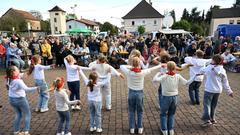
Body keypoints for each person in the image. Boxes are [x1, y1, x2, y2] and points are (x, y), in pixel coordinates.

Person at [120, 57, 162, 134]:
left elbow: (121, 66)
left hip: (131, 93)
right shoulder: (142, 72)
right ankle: (140, 128)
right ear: (139, 64)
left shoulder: (129, 72)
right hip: (139, 93)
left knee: (131, 110)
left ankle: (132, 128)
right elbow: (152, 69)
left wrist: (131, 67)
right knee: (140, 111)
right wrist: (160, 65)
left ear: (132, 64)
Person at [153, 61, 190, 135]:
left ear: (167, 67)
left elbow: (155, 80)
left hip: (166, 97)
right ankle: (171, 129)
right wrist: (194, 77)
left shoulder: (164, 76)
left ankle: (164, 130)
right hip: (175, 97)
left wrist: (158, 73)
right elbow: (186, 83)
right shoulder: (178, 76)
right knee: (171, 114)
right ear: (175, 67)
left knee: (163, 114)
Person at [199, 54, 233, 127]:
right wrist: (229, 91)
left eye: (212, 59)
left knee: (207, 105)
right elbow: (225, 81)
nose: (211, 60)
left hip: (209, 89)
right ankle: (212, 119)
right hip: (218, 90)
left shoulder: (209, 67)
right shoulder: (222, 70)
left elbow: (201, 71)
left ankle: (207, 120)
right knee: (213, 105)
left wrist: (204, 66)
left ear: (214, 61)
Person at [6, 66, 39, 135]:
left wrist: (30, 69)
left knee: (18, 114)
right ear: (14, 72)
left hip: (11, 99)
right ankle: (26, 132)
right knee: (27, 114)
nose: (19, 69)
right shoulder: (18, 81)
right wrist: (37, 88)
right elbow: (26, 89)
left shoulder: (9, 78)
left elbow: (25, 74)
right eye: (17, 69)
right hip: (20, 99)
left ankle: (16, 131)